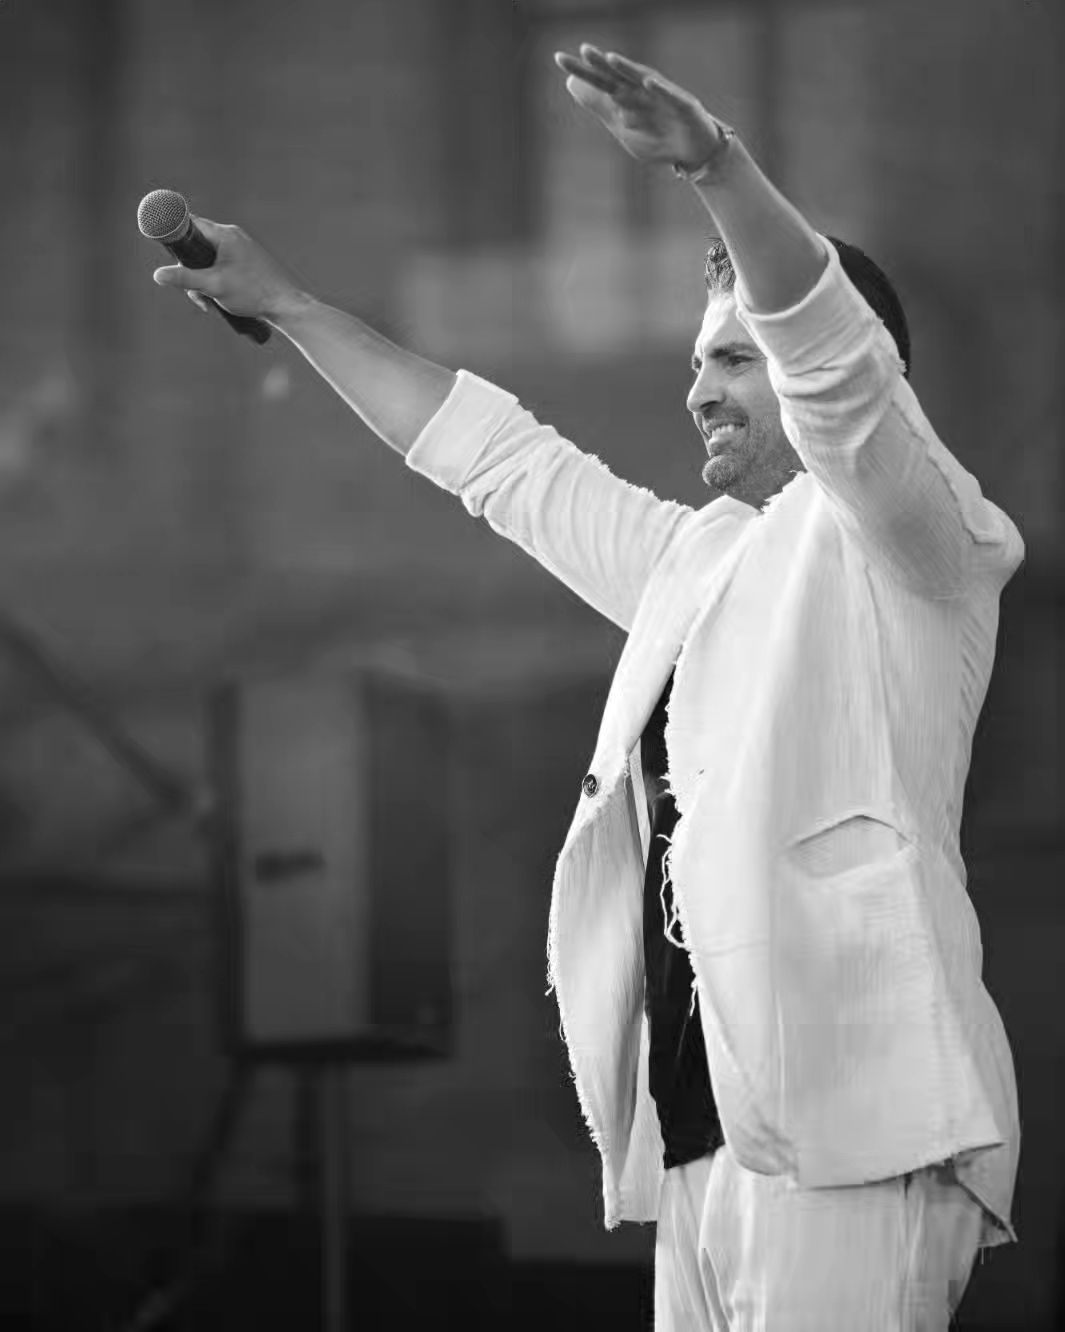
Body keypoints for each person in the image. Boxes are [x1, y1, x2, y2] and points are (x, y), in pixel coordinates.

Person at [152, 43, 1023, 1331]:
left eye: (738, 358)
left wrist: (714, 167)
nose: (698, 387)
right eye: (701, 359)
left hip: (860, 1122)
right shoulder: (699, 563)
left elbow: (838, 374)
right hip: (705, 1145)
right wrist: (289, 307)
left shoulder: (924, 538)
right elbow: (501, 463)